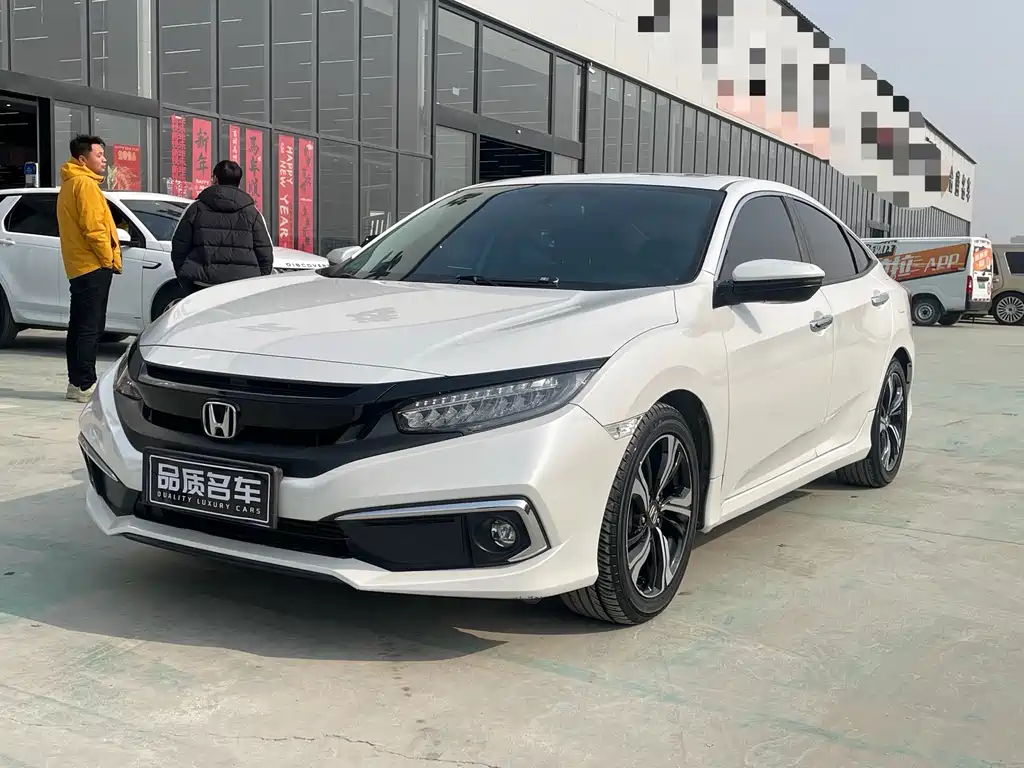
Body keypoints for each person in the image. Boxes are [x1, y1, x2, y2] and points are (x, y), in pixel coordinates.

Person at [56, 134, 121, 403]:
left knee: (79, 326)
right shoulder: (84, 184)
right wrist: (107, 260)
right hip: (92, 265)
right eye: (99, 155)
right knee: (90, 328)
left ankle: (76, 383)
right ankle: (85, 384)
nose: (104, 160)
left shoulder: (71, 183)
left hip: (80, 265)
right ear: (82, 159)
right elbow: (94, 229)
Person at [171, 160, 274, 295]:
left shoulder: (195, 208)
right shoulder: (252, 213)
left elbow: (179, 247)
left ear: (215, 179)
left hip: (202, 284)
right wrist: (257, 282)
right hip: (243, 286)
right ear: (239, 182)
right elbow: (265, 254)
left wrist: (186, 279)